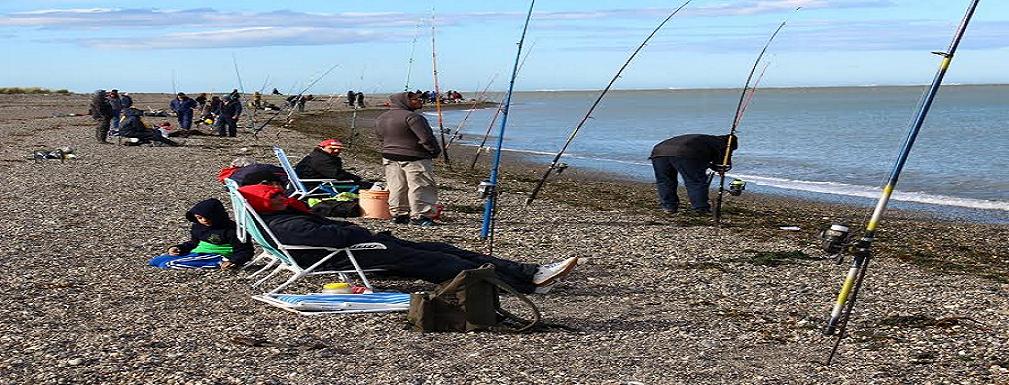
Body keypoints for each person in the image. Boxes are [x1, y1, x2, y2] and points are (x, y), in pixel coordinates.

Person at [239, 185, 579, 294]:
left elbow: (333, 231)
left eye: (281, 194)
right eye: (275, 198)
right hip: (351, 255)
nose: (282, 197)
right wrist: (357, 232)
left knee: (440, 247)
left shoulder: (279, 218)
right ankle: (523, 286)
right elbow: (337, 234)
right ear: (262, 205)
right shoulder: (286, 224)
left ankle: (530, 272)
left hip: (352, 249)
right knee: (439, 262)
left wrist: (352, 231)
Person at [374, 92, 441, 226]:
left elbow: (381, 137)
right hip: (415, 156)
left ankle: (399, 214)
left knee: (396, 186)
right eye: (416, 99)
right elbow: (426, 138)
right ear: (405, 101)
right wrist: (434, 151)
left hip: (389, 156)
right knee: (421, 185)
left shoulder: (381, 118)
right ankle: (420, 215)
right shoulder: (413, 117)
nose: (420, 101)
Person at [149, 198, 253, 269]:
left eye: (207, 217)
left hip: (216, 256)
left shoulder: (231, 230)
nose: (204, 220)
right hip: (197, 252)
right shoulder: (198, 227)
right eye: (199, 218)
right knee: (155, 261)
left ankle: (216, 264)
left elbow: (245, 250)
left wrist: (234, 261)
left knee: (168, 264)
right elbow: (193, 243)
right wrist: (179, 248)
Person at [649, 134, 738, 215]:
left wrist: (714, 166)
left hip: (659, 152)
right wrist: (720, 168)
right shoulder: (723, 145)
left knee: (665, 181)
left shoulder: (706, 140)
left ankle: (669, 206)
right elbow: (721, 163)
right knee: (695, 181)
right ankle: (701, 208)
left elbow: (704, 161)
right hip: (684, 152)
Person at [294, 139, 372, 189]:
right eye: (332, 149)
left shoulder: (317, 155)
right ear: (322, 147)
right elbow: (336, 174)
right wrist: (355, 178)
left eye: (339, 149)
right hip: (314, 186)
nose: (336, 151)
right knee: (367, 186)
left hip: (309, 183)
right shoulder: (321, 159)